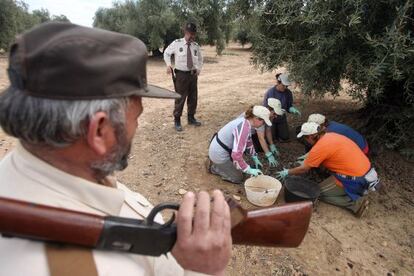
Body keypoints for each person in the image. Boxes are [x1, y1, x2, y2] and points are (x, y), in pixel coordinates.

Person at [0, 22, 231, 276]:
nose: (137, 127)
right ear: (99, 132)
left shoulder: (48, 165)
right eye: (137, 116)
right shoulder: (91, 268)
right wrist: (203, 271)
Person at [276, 122, 380, 217]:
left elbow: (304, 169)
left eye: (306, 138)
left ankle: (355, 204)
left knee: (317, 194)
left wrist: (287, 172)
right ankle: (358, 190)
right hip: (367, 170)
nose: (306, 141)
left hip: (356, 178)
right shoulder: (331, 135)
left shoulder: (320, 147)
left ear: (311, 136)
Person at [207, 106, 272, 184]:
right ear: (256, 118)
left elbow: (249, 141)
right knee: (237, 178)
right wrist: (248, 169)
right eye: (263, 122)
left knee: (240, 167)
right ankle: (213, 167)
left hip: (220, 147)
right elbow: (236, 155)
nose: (263, 124)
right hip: (218, 153)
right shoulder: (243, 127)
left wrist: (254, 156)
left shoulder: (246, 122)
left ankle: (220, 164)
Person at [164, 22, 203, 132]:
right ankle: (177, 120)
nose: (192, 36)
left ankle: (191, 118)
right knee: (180, 98)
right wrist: (168, 65)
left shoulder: (196, 46)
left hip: (193, 75)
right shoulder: (177, 43)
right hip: (181, 75)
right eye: (190, 33)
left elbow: (200, 59)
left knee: (193, 97)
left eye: (193, 34)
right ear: (185, 32)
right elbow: (166, 53)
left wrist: (198, 69)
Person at [296, 113, 370, 164]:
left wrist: (310, 158)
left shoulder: (330, 132)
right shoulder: (330, 124)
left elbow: (323, 150)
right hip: (362, 144)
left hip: (361, 151)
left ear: (320, 125)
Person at [263, 73, 301, 141]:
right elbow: (265, 108)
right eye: (283, 85)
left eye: (286, 86)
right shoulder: (270, 92)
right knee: (271, 138)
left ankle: (279, 130)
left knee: (284, 137)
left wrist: (292, 109)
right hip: (271, 118)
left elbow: (288, 106)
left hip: (281, 118)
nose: (285, 88)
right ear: (278, 82)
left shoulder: (288, 93)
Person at [251, 98, 285, 167]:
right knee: (258, 149)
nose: (276, 116)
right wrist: (268, 155)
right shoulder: (261, 116)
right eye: (275, 113)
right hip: (247, 133)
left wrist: (272, 145)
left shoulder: (270, 116)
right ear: (270, 109)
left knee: (263, 147)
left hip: (256, 130)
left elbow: (268, 130)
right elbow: (261, 138)